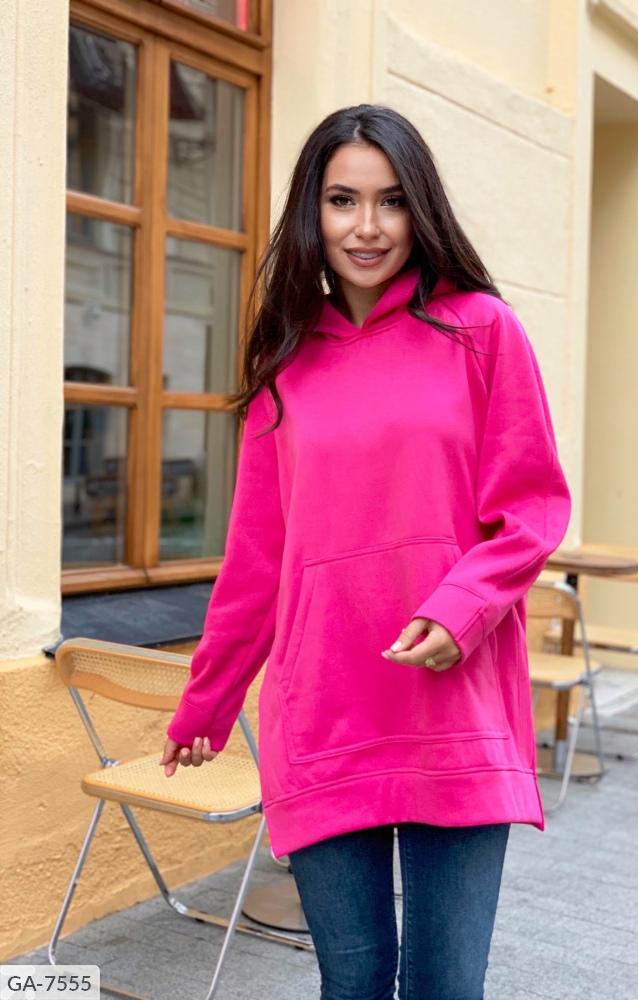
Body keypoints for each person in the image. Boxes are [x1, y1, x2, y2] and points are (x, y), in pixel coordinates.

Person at [161, 104, 571, 1000]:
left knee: (444, 986)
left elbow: (533, 508)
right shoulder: (286, 359)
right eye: (343, 200)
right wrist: (207, 701)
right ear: (313, 210)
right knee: (351, 983)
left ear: (420, 210)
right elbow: (257, 561)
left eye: (391, 201)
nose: (367, 227)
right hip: (323, 713)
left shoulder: (481, 330)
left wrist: (461, 610)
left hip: (453, 708)